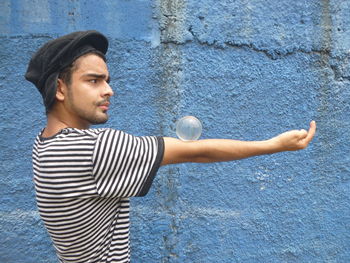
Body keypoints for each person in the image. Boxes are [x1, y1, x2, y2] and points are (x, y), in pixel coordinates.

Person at [25, 30, 316, 263]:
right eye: (93, 80)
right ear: (60, 88)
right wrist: (273, 145)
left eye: (107, 80)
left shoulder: (44, 143)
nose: (109, 89)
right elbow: (197, 150)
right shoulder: (92, 149)